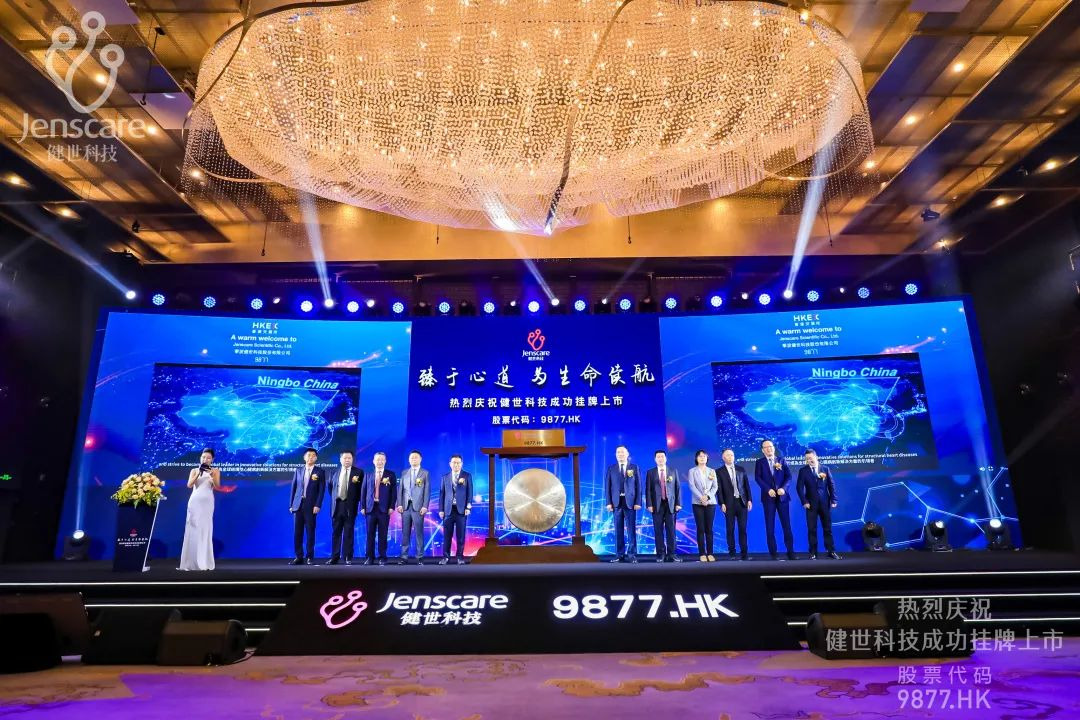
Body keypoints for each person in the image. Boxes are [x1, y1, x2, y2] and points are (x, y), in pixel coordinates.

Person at [179, 447, 220, 571]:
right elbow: (189, 485)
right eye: (203, 457)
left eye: (208, 458)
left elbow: (217, 486)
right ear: (200, 458)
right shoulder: (194, 470)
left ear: (212, 460)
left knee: (205, 528)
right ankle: (190, 562)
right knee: (193, 528)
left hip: (208, 502)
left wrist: (212, 475)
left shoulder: (216, 471)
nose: (205, 459)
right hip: (195, 502)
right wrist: (198, 473)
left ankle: (203, 561)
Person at [754, 439, 796, 561]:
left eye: (770, 446)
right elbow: (758, 478)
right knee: (770, 526)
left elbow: (789, 476)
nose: (769, 449)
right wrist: (768, 489)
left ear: (773, 447)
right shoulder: (760, 462)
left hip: (782, 497)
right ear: (763, 450)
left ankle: (790, 552)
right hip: (768, 498)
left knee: (786, 525)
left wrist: (783, 488)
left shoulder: (782, 460)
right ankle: (773, 553)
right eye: (766, 447)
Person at [796, 449, 841, 560]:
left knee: (827, 529)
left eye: (811, 458)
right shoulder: (803, 471)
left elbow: (831, 485)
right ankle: (813, 553)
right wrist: (804, 501)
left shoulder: (825, 469)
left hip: (825, 503)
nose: (809, 460)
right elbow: (799, 488)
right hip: (810, 505)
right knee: (812, 529)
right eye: (807, 459)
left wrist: (834, 500)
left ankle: (831, 551)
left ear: (816, 457)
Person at [604, 445, 642, 563]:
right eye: (618, 452)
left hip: (630, 503)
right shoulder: (611, 469)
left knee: (631, 530)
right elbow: (607, 487)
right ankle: (619, 554)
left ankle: (632, 555)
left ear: (627, 454)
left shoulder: (634, 468)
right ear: (616, 455)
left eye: (622, 452)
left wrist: (638, 502)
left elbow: (639, 486)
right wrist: (608, 503)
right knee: (618, 530)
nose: (620, 454)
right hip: (616, 503)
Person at [326, 450, 364, 565]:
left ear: (352, 459)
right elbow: (330, 489)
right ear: (340, 459)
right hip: (337, 505)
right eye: (345, 458)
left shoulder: (358, 472)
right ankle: (334, 557)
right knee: (336, 532)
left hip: (350, 506)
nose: (347, 460)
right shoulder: (333, 472)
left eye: (349, 458)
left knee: (349, 532)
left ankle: (348, 557)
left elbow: (361, 491)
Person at [361, 451, 397, 565]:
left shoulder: (390, 475)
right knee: (369, 534)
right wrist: (363, 506)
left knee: (383, 534)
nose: (379, 462)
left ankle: (382, 557)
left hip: (384, 509)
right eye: (377, 459)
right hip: (370, 508)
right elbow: (363, 491)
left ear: (385, 461)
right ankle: (369, 557)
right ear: (373, 461)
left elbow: (393, 493)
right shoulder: (368, 474)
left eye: (382, 459)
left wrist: (391, 506)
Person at [289, 448, 324, 565]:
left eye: (313, 455)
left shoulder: (320, 471)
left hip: (311, 506)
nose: (311, 457)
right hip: (298, 505)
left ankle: (309, 557)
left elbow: (321, 490)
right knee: (297, 532)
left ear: (316, 458)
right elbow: (294, 488)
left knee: (310, 532)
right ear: (304, 457)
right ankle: (298, 557)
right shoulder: (298, 470)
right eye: (308, 455)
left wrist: (317, 504)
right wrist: (291, 505)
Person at [646, 449, 682, 562]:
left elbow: (677, 488)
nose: (660, 458)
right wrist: (649, 504)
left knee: (671, 530)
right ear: (655, 459)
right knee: (658, 530)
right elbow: (648, 490)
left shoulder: (673, 471)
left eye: (662, 456)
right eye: (658, 457)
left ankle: (672, 554)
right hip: (656, 505)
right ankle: (660, 554)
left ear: (666, 458)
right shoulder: (650, 472)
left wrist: (678, 503)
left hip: (671, 504)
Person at [396, 450, 431, 564]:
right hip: (406, 507)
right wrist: (399, 504)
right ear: (409, 460)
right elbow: (400, 490)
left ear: (420, 459)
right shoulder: (404, 472)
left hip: (418, 507)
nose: (413, 459)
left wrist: (425, 506)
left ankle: (420, 557)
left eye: (416, 457)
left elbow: (427, 491)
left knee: (419, 533)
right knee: (405, 533)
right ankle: (403, 557)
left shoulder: (425, 473)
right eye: (411, 458)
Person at [717, 448, 753, 560]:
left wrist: (749, 500)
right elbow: (719, 490)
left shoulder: (741, 469)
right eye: (728, 455)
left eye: (732, 455)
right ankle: (732, 553)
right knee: (730, 529)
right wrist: (722, 503)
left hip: (742, 502)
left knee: (742, 529)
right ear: (723, 458)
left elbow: (746, 486)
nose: (730, 457)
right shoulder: (719, 471)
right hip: (728, 504)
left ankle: (744, 554)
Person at [438, 454, 472, 564]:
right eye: (454, 462)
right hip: (448, 510)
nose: (456, 464)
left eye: (458, 463)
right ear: (450, 464)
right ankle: (446, 557)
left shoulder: (467, 476)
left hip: (461, 510)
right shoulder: (445, 477)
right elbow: (442, 494)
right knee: (447, 536)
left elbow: (470, 493)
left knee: (460, 535)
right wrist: (441, 509)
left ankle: (460, 557)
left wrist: (468, 507)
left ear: (461, 464)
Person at [687, 450, 719, 562]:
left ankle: (710, 553)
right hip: (697, 502)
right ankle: (702, 553)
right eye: (700, 456)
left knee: (709, 528)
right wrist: (701, 497)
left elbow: (715, 487)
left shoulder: (712, 471)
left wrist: (708, 497)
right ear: (696, 458)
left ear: (707, 458)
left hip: (711, 503)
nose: (702, 458)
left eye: (704, 456)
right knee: (700, 528)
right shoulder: (692, 471)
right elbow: (692, 486)